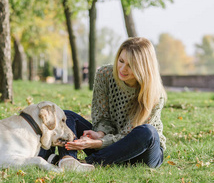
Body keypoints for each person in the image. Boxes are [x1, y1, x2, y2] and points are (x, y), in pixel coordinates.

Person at [40, 37, 166, 171]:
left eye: (130, 65)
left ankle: (87, 162)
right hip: (108, 146)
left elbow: (127, 135)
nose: (122, 69)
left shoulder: (154, 94)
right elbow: (102, 117)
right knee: (67, 116)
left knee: (148, 132)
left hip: (141, 153)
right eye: (121, 61)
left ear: (142, 67)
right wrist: (100, 133)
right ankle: (68, 160)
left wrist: (96, 143)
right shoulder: (104, 75)